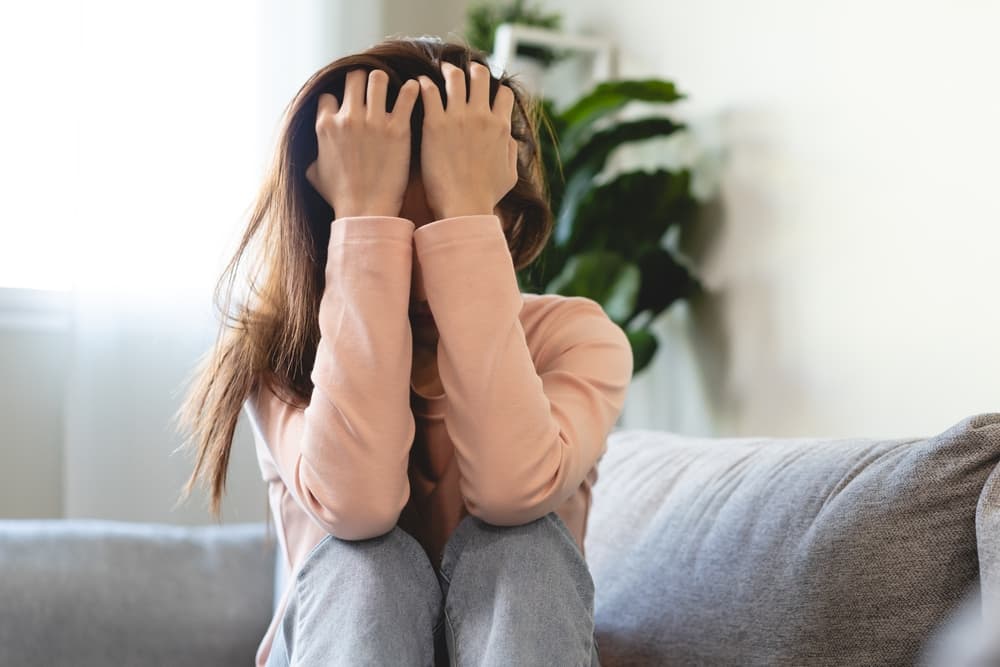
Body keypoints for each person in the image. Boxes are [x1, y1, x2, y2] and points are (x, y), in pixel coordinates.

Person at [172, 35, 633, 666]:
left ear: (500, 216)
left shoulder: (575, 340)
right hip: (337, 640)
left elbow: (509, 488)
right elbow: (357, 506)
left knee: (521, 548)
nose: (418, 270)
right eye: (394, 230)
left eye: (445, 225)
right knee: (366, 564)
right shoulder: (278, 358)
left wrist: (464, 209)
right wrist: (363, 218)